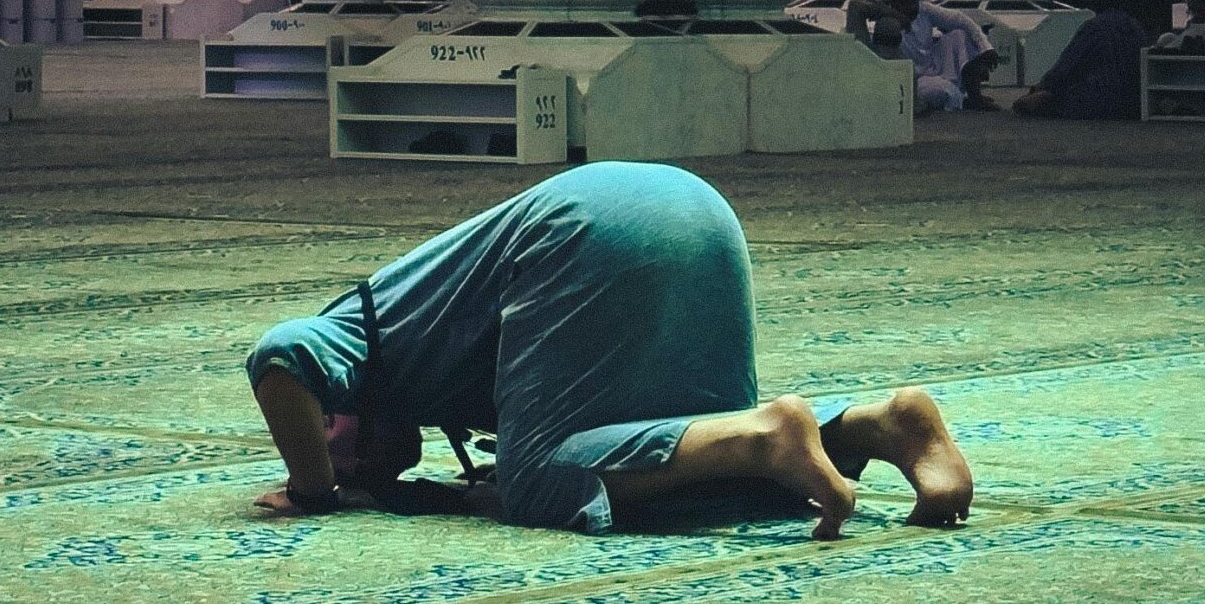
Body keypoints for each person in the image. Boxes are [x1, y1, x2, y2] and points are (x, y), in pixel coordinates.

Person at [244, 163, 973, 538]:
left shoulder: (358, 329)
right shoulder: (414, 346)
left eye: (331, 441)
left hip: (584, 231)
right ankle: (879, 426)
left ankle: (765, 434)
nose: (349, 458)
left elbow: (280, 357)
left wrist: (313, 490)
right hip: (698, 207)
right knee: (690, 443)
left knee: (536, 485)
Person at [846, 0, 999, 112]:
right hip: (916, 80)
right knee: (941, 91)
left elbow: (960, 19)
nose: (911, 7)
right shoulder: (887, 25)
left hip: (935, 65)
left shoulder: (924, 9)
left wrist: (986, 48)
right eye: (904, 3)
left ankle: (974, 95)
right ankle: (963, 100)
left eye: (913, 1)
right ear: (892, 4)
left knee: (960, 34)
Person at [1014, 7, 1147, 120]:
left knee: (1043, 102)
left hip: (1098, 100)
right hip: (1134, 103)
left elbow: (1064, 69)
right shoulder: (1135, 27)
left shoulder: (1096, 26)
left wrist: (1041, 88)